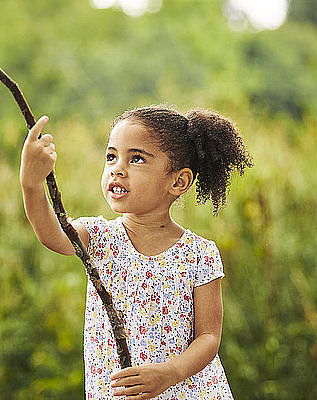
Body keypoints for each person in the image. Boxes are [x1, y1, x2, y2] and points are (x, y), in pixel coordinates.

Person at [20, 106, 253, 399]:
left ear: (178, 181)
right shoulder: (99, 237)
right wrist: (31, 183)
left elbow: (208, 337)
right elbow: (51, 233)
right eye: (111, 156)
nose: (117, 168)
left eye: (137, 159)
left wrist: (169, 374)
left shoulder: (199, 254)